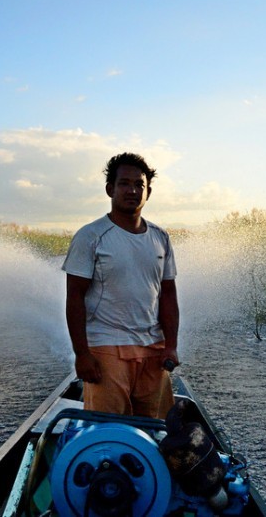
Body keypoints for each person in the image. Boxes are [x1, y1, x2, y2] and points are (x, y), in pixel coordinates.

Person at [62, 152, 179, 419]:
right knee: (110, 435)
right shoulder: (91, 236)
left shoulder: (160, 238)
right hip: (106, 349)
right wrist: (82, 355)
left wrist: (170, 345)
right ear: (110, 189)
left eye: (140, 185)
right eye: (125, 184)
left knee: (155, 432)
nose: (133, 190)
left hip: (152, 348)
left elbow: (168, 294)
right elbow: (75, 297)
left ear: (148, 191)